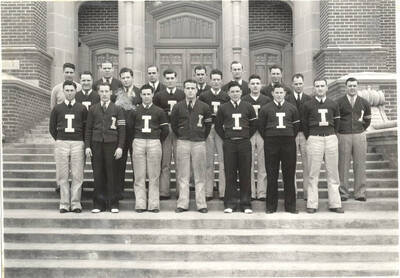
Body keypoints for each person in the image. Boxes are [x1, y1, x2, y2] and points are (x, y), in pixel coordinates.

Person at [302, 78, 344, 213]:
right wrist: (312, 136)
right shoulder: (308, 105)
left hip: (330, 137)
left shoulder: (333, 104)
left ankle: (335, 203)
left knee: (333, 172)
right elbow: (304, 124)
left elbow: (337, 123)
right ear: (314, 88)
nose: (320, 88)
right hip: (315, 138)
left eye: (322, 86)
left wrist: (331, 134)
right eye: (317, 86)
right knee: (313, 173)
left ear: (327, 88)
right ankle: (312, 204)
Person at [215, 81, 257, 214]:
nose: (235, 94)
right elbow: (218, 126)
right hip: (230, 143)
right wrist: (227, 138)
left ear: (241, 92)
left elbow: (254, 124)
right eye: (232, 91)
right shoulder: (223, 108)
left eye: (237, 91)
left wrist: (245, 136)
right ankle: (230, 203)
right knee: (230, 173)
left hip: (244, 143)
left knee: (245, 173)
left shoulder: (248, 106)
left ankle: (246, 204)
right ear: (228, 93)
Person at [171, 79, 212, 213]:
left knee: (200, 174)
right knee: (183, 174)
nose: (190, 90)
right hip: (183, 142)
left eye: (192, 88)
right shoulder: (178, 106)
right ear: (184, 89)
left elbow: (207, 126)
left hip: (199, 142)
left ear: (196, 90)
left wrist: (200, 137)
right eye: (187, 88)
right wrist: (182, 135)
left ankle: (201, 204)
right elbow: (174, 125)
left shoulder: (204, 107)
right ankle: (183, 203)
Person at [128, 84, 169, 213]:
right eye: (144, 94)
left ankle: (153, 204)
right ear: (140, 95)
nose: (146, 96)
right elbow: (130, 128)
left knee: (154, 175)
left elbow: (165, 130)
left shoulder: (159, 111)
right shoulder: (135, 110)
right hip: (139, 141)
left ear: (152, 95)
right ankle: (140, 204)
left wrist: (156, 139)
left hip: (154, 142)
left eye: (148, 94)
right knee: (139, 175)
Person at [85, 82, 125, 213]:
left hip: (112, 144)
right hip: (96, 144)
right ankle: (98, 204)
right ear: (98, 93)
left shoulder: (118, 109)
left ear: (111, 93)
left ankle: (113, 203)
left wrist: (120, 147)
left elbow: (122, 130)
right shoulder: (93, 109)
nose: (104, 94)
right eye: (101, 91)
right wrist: (87, 146)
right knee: (98, 174)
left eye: (106, 91)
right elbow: (88, 129)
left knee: (112, 173)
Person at [258, 85, 299, 214]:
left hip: (288, 142)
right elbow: (261, 126)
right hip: (271, 142)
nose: (279, 94)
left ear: (285, 93)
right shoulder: (265, 109)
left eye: (281, 92)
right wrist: (270, 137)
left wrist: (289, 135)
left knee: (289, 175)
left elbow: (296, 126)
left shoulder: (292, 108)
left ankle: (291, 206)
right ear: (272, 93)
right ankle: (271, 206)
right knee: (271, 174)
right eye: (277, 92)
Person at [49, 80, 87, 213]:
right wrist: (60, 139)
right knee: (62, 174)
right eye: (67, 90)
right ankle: (64, 203)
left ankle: (76, 203)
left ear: (75, 91)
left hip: (77, 143)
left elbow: (85, 127)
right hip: (62, 142)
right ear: (63, 91)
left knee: (77, 174)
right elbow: (52, 128)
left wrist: (81, 141)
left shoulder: (81, 108)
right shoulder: (57, 108)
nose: (69, 93)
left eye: (72, 90)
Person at [337, 77, 371, 202]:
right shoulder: (339, 102)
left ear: (358, 87)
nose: (352, 88)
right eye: (350, 86)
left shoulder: (364, 102)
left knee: (360, 164)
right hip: (344, 135)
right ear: (346, 87)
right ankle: (343, 193)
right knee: (343, 164)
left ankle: (360, 193)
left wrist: (360, 129)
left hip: (359, 135)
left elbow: (367, 120)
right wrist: (340, 130)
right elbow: (336, 120)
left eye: (354, 86)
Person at [153, 69, 185, 199]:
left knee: (180, 162)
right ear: (164, 80)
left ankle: (180, 191)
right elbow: (155, 114)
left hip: (179, 130)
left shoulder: (182, 94)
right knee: (165, 162)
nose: (170, 80)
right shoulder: (159, 95)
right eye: (168, 78)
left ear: (176, 79)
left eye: (172, 78)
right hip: (165, 129)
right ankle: (164, 191)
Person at [50, 62, 82, 194]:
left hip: (76, 133)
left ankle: (76, 191)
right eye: (66, 72)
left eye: (71, 72)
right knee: (61, 166)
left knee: (76, 168)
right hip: (62, 132)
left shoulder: (79, 87)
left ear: (74, 73)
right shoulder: (56, 89)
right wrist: (57, 136)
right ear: (63, 73)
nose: (69, 74)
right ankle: (61, 186)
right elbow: (53, 108)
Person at [199, 69, 230, 201]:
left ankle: (223, 191)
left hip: (222, 129)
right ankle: (208, 191)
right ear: (210, 80)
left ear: (221, 81)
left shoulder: (226, 96)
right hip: (209, 128)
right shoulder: (204, 96)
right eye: (214, 79)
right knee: (208, 162)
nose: (216, 82)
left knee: (223, 161)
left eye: (218, 80)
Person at [241, 74, 271, 201]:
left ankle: (262, 192)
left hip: (263, 134)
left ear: (261, 85)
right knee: (249, 164)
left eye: (257, 83)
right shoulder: (244, 99)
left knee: (263, 164)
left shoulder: (267, 100)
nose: (255, 86)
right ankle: (251, 192)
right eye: (252, 83)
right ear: (248, 85)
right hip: (249, 134)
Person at [114, 67, 142, 200]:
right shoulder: (116, 93)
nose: (125, 80)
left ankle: (138, 191)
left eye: (128, 77)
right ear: (120, 79)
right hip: (120, 133)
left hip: (136, 132)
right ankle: (119, 191)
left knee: (137, 162)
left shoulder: (140, 92)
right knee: (120, 162)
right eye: (123, 78)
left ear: (132, 78)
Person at [286, 73, 312, 200]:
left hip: (306, 135)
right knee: (291, 165)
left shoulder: (309, 99)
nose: (298, 86)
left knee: (307, 165)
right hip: (292, 136)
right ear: (292, 85)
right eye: (295, 84)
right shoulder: (286, 99)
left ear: (303, 84)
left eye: (300, 83)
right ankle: (293, 193)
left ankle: (307, 193)